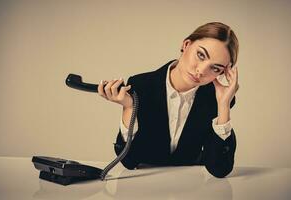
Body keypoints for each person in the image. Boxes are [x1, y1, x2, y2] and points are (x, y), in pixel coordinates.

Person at [98, 22, 239, 178]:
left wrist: (224, 105)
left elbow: (220, 170)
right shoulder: (140, 86)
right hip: (144, 187)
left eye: (215, 68)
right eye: (201, 55)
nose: (201, 71)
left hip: (191, 187)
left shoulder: (215, 100)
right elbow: (129, 161)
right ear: (186, 44)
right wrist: (129, 108)